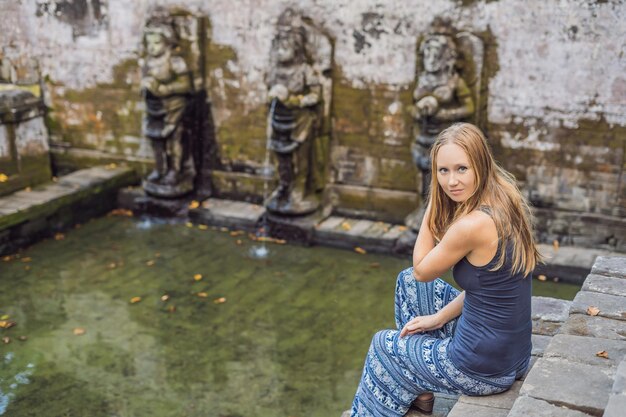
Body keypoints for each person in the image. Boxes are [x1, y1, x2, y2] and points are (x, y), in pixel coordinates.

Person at [349, 123, 541, 417]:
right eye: (443, 171)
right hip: (511, 356)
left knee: (383, 346)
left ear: (480, 165)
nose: (451, 182)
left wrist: (432, 204)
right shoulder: (505, 197)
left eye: (461, 169)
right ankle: (422, 395)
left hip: (482, 370)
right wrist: (437, 318)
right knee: (408, 285)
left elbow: (422, 269)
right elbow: (487, 288)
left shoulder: (471, 225)